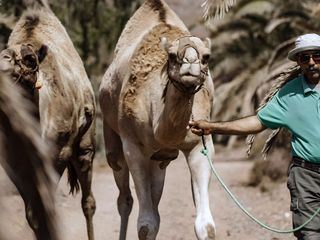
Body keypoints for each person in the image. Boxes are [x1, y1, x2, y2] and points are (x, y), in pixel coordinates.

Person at [188, 33, 320, 240]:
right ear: (299, 62)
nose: (311, 62)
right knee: (309, 234)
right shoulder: (289, 95)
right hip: (306, 177)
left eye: (317, 56)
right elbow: (257, 122)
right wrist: (212, 127)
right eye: (305, 58)